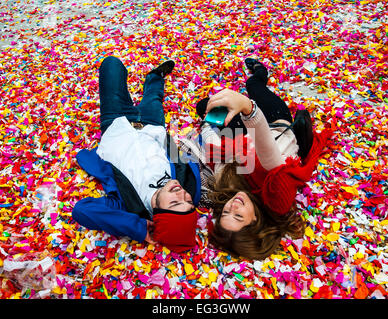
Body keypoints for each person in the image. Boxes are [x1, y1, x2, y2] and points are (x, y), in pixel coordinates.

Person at [181, 58, 332, 259]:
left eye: (225, 213)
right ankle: (260, 71)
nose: (232, 206)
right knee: (253, 85)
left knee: (205, 107)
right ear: (255, 221)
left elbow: (215, 152)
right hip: (276, 126)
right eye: (238, 215)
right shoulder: (277, 201)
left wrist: (206, 126)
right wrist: (247, 107)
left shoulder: (226, 188)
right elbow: (269, 159)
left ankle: (231, 113)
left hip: (243, 137)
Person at [71, 56, 201, 253]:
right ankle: (155, 76)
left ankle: (147, 78)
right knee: (154, 98)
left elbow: (82, 210)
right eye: (189, 201)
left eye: (175, 202)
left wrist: (137, 228)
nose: (181, 193)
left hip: (117, 123)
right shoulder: (188, 184)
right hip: (152, 126)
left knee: (111, 65)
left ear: (157, 213)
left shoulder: (127, 204)